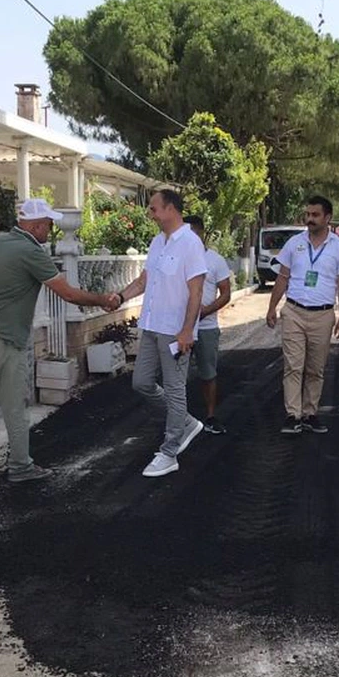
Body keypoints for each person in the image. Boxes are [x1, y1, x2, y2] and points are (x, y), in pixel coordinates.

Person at [0, 198, 120, 479]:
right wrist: (102, 300)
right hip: (3, 337)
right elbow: (68, 294)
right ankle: (21, 466)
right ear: (34, 226)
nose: (51, 230)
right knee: (14, 404)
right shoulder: (30, 252)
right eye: (48, 225)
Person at [115, 190, 208, 477]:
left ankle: (170, 452)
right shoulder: (158, 241)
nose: (150, 213)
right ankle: (187, 423)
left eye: (154, 208)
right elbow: (145, 280)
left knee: (175, 389)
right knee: (141, 382)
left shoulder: (191, 244)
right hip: (152, 326)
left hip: (175, 332)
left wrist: (187, 331)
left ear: (170, 209)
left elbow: (196, 291)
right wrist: (119, 296)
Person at [265, 195, 339, 434]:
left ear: (328, 218)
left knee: (315, 368)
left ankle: (310, 413)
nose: (310, 219)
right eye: (308, 214)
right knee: (293, 366)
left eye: (315, 215)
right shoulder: (295, 243)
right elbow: (282, 277)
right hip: (293, 311)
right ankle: (293, 415)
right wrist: (272, 307)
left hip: (323, 316)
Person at [184, 214, 233, 434]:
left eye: (193, 233)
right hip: (180, 327)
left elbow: (226, 293)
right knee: (177, 376)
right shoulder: (178, 259)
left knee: (208, 373)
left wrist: (205, 311)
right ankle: (180, 420)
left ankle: (211, 416)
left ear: (202, 233)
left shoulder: (215, 260)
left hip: (206, 327)